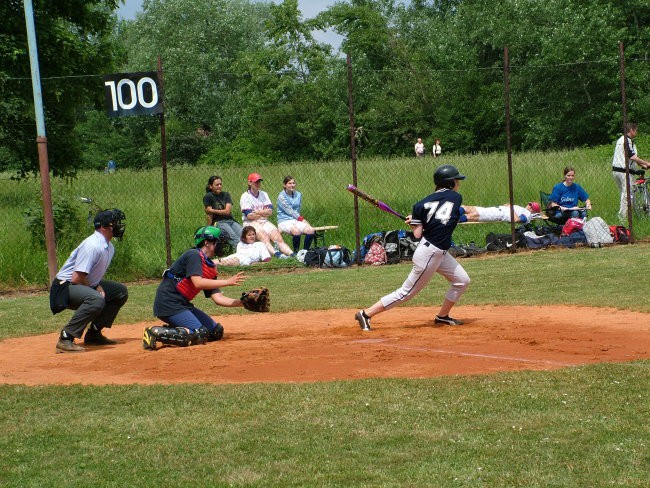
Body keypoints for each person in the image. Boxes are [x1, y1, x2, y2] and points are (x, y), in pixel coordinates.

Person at [355, 164, 471, 331]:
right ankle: (365, 314)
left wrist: (416, 221)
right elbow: (447, 216)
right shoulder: (455, 197)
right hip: (430, 253)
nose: (458, 184)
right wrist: (420, 221)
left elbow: (417, 234)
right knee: (406, 293)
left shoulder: (420, 205)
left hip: (437, 252)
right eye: (456, 181)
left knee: (462, 281)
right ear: (450, 183)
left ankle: (442, 316)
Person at [144, 226, 247, 349]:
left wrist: (244, 303)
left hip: (182, 304)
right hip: (169, 303)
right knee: (199, 333)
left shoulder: (210, 267)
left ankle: (177, 329)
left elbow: (218, 298)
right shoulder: (194, 255)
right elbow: (198, 282)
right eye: (217, 241)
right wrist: (227, 281)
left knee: (215, 332)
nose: (220, 245)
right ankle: (154, 332)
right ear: (206, 242)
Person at [50, 209, 129, 353]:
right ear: (104, 226)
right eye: (115, 223)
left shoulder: (108, 246)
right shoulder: (92, 246)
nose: (118, 226)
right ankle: (66, 338)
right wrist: (95, 288)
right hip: (63, 287)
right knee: (96, 299)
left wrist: (96, 285)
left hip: (78, 284)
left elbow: (87, 277)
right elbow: (76, 277)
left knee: (120, 292)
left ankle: (94, 334)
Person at [240, 173, 294, 258]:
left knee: (277, 237)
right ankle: (278, 255)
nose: (258, 184)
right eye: (255, 182)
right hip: (250, 223)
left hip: (264, 221)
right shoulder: (245, 196)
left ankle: (292, 255)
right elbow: (249, 216)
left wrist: (256, 212)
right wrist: (263, 212)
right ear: (250, 183)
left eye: (259, 182)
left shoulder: (263, 194)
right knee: (264, 237)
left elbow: (270, 212)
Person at [612, 122, 650, 222]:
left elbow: (629, 157)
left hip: (617, 171)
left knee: (624, 194)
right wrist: (646, 162)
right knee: (627, 195)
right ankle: (623, 220)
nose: (636, 132)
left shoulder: (621, 140)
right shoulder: (627, 140)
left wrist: (643, 165)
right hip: (624, 172)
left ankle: (627, 217)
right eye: (636, 130)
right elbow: (631, 156)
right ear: (631, 130)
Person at [276, 175, 315, 253]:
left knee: (310, 230)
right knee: (296, 231)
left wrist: (299, 220)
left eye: (293, 183)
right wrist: (302, 219)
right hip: (284, 220)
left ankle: (304, 253)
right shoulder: (281, 196)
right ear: (284, 185)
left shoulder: (299, 194)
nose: (292, 185)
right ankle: (296, 253)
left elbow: (298, 209)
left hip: (295, 220)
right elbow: (289, 211)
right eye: (289, 183)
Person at [203, 175, 243, 248]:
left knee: (244, 234)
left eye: (220, 184)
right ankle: (244, 253)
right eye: (217, 185)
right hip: (219, 222)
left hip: (231, 221)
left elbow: (227, 211)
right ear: (211, 186)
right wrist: (208, 227)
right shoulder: (208, 197)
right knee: (234, 237)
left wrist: (212, 210)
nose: (219, 186)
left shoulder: (226, 195)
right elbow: (209, 215)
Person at [460, 201, 541, 223]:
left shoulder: (528, 215)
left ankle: (452, 219)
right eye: (530, 204)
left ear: (534, 211)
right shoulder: (523, 210)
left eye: (532, 207)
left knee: (471, 216)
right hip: (497, 209)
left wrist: (510, 208)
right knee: (465, 207)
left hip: (499, 214)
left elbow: (517, 220)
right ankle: (451, 214)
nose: (529, 206)